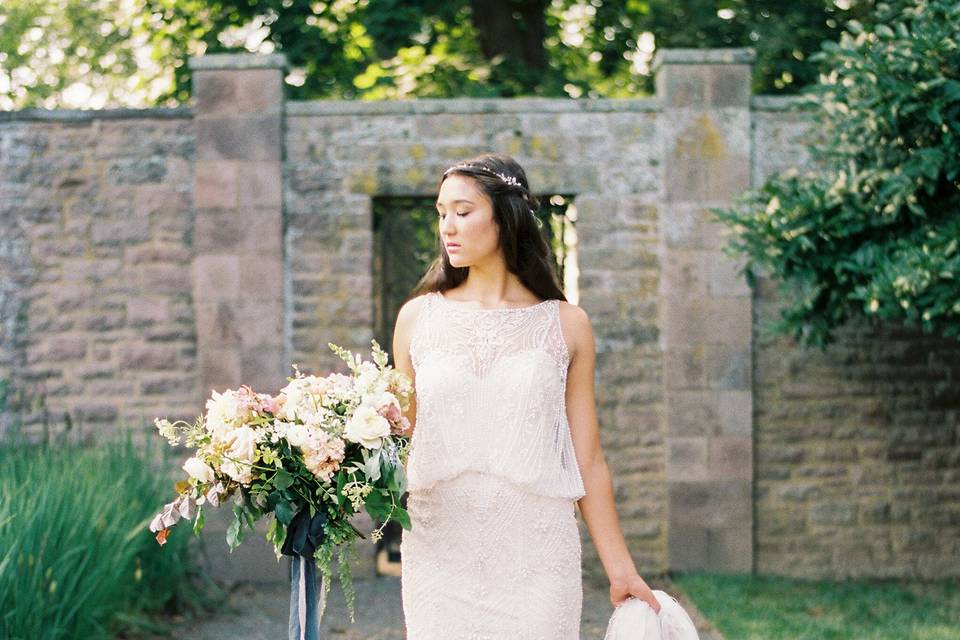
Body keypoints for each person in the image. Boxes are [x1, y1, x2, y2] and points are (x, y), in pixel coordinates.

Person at [391, 152, 661, 639]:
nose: (447, 227)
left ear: (505, 216)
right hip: (440, 547)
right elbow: (396, 444)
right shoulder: (416, 319)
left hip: (537, 552)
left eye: (463, 211)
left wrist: (621, 570)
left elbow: (590, 460)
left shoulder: (566, 325)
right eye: (441, 213)